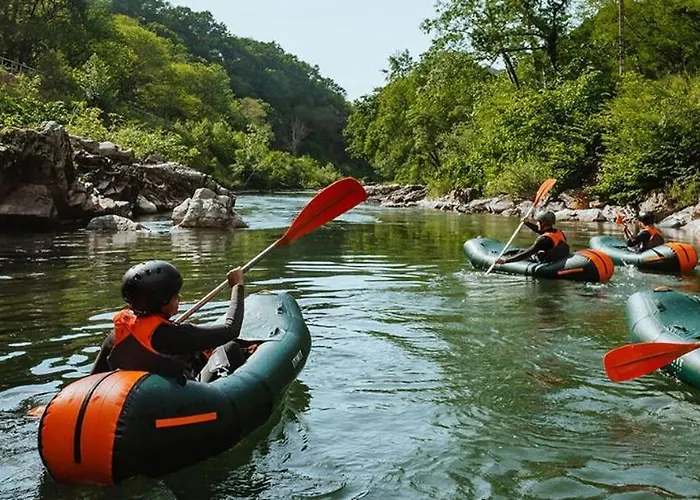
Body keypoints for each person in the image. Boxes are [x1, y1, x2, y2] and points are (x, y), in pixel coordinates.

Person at [90, 260, 250, 383]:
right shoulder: (173, 335)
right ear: (163, 302)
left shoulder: (116, 335)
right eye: (175, 296)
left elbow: (93, 378)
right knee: (229, 347)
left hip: (132, 406)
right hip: (176, 406)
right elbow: (231, 329)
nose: (179, 298)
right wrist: (238, 286)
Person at [495, 210, 570, 265]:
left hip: (544, 260)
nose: (537, 223)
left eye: (538, 222)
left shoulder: (543, 240)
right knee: (520, 251)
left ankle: (502, 257)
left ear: (543, 224)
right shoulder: (559, 233)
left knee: (520, 251)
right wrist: (527, 223)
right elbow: (540, 231)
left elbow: (527, 254)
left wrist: (505, 261)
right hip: (558, 258)